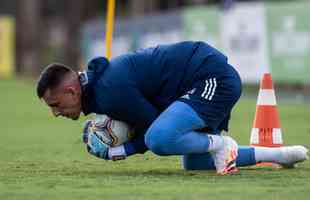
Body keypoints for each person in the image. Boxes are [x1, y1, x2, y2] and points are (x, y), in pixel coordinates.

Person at [36, 41, 308, 174]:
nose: (56, 113)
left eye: (56, 105)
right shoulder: (101, 91)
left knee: (160, 138)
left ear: (72, 91)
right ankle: (282, 154)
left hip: (211, 78)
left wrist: (120, 150)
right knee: (195, 161)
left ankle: (220, 144)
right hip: (193, 87)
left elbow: (155, 128)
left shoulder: (108, 91)